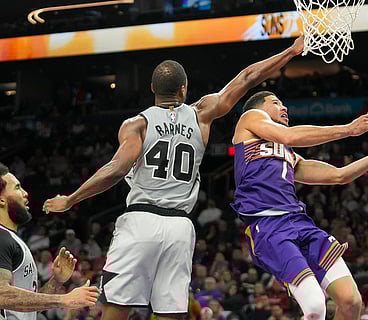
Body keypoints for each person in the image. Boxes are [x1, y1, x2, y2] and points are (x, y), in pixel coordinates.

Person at [42, 37, 305, 320]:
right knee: (172, 314)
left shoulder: (136, 124)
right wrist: (290, 51)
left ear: (153, 88)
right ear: (184, 88)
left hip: (139, 222)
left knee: (115, 309)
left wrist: (71, 199)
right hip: (179, 226)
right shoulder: (201, 114)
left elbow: (116, 169)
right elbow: (248, 77)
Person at [230, 91, 368, 320]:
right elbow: (290, 135)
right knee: (316, 307)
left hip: (299, 223)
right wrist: (350, 129)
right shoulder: (249, 119)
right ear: (259, 108)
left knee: (351, 301)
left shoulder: (289, 155)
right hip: (268, 227)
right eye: (276, 103)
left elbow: (339, 176)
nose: (284, 107)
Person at [0, 163, 99, 320]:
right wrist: (64, 299)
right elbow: (1, 295)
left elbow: (27, 309)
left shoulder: (11, 239)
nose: (25, 193)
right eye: (18, 188)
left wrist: (56, 281)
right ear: (2, 201)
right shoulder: (2, 238)